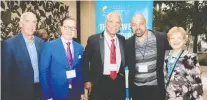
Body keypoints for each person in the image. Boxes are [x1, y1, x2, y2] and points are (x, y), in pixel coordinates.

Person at [125, 14, 171, 100]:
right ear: (131, 26)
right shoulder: (128, 43)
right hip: (137, 90)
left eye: (141, 23)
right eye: (134, 25)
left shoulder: (161, 38)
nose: (137, 27)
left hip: (156, 88)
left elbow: (174, 54)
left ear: (146, 23)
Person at [83, 11, 126, 100]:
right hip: (99, 82)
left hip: (118, 82)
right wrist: (87, 80)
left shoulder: (122, 39)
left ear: (120, 25)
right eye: (111, 21)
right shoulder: (93, 40)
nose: (114, 24)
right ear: (106, 23)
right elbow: (85, 61)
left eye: (117, 22)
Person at [39, 16, 84, 100]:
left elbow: (80, 71)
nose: (69, 30)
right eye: (66, 27)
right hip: (56, 93)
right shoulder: (49, 46)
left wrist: (81, 91)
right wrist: (47, 96)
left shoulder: (79, 48)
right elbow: (43, 73)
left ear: (75, 31)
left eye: (72, 28)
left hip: (75, 93)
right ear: (61, 28)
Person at [2, 12, 44, 100]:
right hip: (19, 94)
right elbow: (5, 77)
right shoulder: (9, 44)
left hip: (40, 91)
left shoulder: (41, 43)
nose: (31, 25)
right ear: (21, 24)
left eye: (34, 22)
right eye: (28, 21)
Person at [164, 26, 203, 100]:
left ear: (184, 40)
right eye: (172, 38)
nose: (176, 41)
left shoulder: (191, 58)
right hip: (168, 97)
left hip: (185, 97)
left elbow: (197, 83)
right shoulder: (165, 56)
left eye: (179, 38)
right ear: (169, 41)